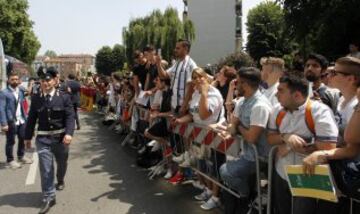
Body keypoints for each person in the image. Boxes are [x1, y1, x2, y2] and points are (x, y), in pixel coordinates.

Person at [267, 74, 339, 214]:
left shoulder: (320, 111)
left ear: (297, 95)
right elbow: (270, 138)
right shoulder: (277, 110)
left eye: (281, 90)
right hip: (280, 171)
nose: (276, 94)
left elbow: (328, 147)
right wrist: (285, 136)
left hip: (308, 176)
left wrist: (290, 146)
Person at [220, 67, 272, 214]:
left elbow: (251, 137)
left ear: (245, 84)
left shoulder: (260, 106)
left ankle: (245, 196)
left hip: (260, 157)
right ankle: (247, 195)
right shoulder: (243, 101)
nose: (235, 85)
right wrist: (234, 126)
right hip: (247, 153)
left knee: (225, 172)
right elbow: (232, 122)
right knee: (226, 170)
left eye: (237, 82)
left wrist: (238, 127)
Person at [24, 67, 75, 214]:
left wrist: (69, 133)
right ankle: (49, 196)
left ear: (55, 80)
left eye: (48, 80)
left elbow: (70, 117)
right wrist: (27, 137)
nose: (45, 83)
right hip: (43, 138)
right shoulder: (36, 98)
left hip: (60, 139)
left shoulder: (64, 97)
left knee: (62, 163)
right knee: (46, 168)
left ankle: (60, 179)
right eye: (42, 80)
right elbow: (31, 119)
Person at [0, 71, 33, 169]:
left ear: (19, 80)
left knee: (22, 138)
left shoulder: (20, 90)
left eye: (16, 79)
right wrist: (4, 123)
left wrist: (30, 84)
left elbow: (28, 93)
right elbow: (1, 108)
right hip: (11, 120)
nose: (15, 81)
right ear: (8, 80)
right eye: (12, 79)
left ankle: (21, 156)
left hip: (21, 119)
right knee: (11, 141)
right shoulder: (4, 93)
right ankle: (10, 160)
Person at [156, 39, 198, 116]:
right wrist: (158, 64)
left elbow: (191, 87)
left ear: (185, 49)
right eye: (175, 48)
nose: (175, 50)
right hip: (174, 105)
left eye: (178, 48)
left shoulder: (191, 65)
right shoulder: (177, 63)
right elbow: (164, 76)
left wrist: (184, 106)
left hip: (184, 108)